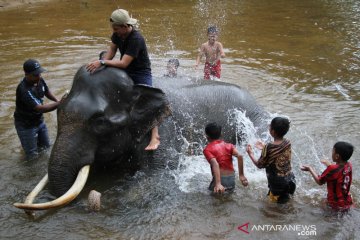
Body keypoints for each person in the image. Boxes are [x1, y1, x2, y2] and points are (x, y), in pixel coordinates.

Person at [86, 9, 160, 151]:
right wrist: (100, 64)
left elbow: (124, 62)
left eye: (116, 29)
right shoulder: (117, 34)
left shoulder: (136, 39)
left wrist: (102, 63)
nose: (115, 32)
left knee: (148, 100)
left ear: (125, 26)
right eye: (113, 29)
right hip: (126, 71)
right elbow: (112, 52)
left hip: (140, 72)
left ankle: (155, 136)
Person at [14, 59, 62, 159]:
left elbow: (46, 92)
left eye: (39, 73)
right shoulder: (24, 90)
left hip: (39, 121)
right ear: (26, 74)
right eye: (35, 75)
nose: (39, 76)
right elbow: (40, 108)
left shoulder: (40, 80)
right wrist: (60, 103)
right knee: (32, 156)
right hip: (26, 126)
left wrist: (57, 100)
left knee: (46, 148)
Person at [246, 117, 296, 203]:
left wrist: (250, 154)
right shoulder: (288, 142)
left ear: (272, 131)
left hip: (278, 186)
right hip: (290, 180)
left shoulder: (269, 147)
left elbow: (259, 165)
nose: (269, 127)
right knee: (287, 202)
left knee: (275, 210)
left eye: (270, 126)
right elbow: (278, 151)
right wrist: (264, 148)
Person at [301, 141, 354, 211]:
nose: (331, 153)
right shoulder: (349, 165)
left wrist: (310, 169)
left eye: (333, 151)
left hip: (335, 205)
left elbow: (319, 181)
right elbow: (339, 172)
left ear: (337, 156)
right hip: (347, 200)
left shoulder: (332, 169)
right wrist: (329, 165)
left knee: (318, 206)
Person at [203, 122, 248, 194]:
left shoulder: (207, 149)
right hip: (231, 178)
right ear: (221, 134)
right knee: (229, 197)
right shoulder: (229, 145)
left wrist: (218, 183)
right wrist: (241, 175)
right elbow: (240, 156)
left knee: (212, 198)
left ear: (207, 136)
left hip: (220, 180)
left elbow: (215, 164)